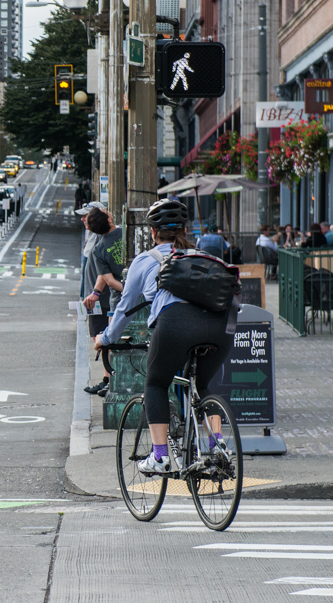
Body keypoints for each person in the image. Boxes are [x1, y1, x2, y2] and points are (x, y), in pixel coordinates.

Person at [95, 199, 235, 474]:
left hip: (175, 324)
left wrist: (106, 338)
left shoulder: (146, 260)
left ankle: (160, 456)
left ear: (153, 233)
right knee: (203, 386)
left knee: (156, 383)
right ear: (186, 230)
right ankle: (218, 447)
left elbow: (124, 308)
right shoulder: (208, 257)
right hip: (221, 328)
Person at [81, 208, 125, 396]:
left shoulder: (99, 249)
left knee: (112, 339)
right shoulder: (127, 232)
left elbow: (108, 279)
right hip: (140, 292)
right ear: (108, 218)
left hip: (117, 298)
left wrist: (127, 290)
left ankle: (112, 381)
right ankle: (112, 380)